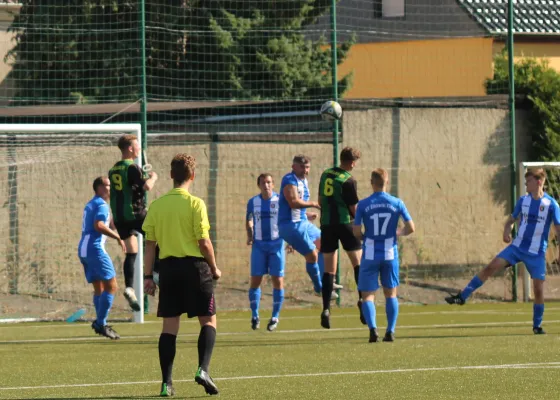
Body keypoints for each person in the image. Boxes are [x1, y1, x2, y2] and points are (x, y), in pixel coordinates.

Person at [446, 168, 560, 335]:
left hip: (536, 253)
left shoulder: (551, 205)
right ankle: (462, 296)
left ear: (539, 182)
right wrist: (506, 230)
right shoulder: (523, 201)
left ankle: (537, 325)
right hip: (517, 248)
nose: (526, 184)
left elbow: (558, 228)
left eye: (528, 181)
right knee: (490, 267)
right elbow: (511, 220)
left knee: (538, 290)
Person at [143, 154, 221, 397]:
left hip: (168, 271)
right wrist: (215, 267)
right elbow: (204, 242)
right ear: (193, 175)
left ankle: (167, 383)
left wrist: (147, 277)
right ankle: (203, 370)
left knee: (169, 327)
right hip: (196, 269)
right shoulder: (196, 204)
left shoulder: (157, 205)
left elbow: (150, 246)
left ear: (170, 175)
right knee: (208, 321)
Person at [353, 168, 415, 343]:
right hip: (390, 254)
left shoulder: (363, 204)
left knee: (367, 295)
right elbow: (411, 228)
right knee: (391, 294)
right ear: (386, 182)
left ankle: (373, 329)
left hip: (370, 254)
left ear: (371, 182)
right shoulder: (397, 203)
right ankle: (391, 331)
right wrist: (399, 233)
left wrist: (365, 237)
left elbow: (356, 231)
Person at [277, 155, 338, 300]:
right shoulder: (289, 180)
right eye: (302, 167)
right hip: (290, 226)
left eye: (308, 167)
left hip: (302, 222)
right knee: (312, 255)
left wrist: (307, 214)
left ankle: (328, 280)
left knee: (328, 245)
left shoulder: (303, 180)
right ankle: (319, 289)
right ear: (294, 167)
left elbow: (295, 208)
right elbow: (293, 202)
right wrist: (313, 204)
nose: (305, 170)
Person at [109, 134, 158, 312]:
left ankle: (129, 288)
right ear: (130, 148)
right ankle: (156, 274)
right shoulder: (132, 167)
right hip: (135, 213)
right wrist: (153, 177)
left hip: (120, 218)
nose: (138, 149)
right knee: (158, 238)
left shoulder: (113, 169)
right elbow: (147, 186)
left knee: (132, 252)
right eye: (137, 146)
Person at [318, 147, 363, 329]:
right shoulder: (349, 180)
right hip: (345, 223)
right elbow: (354, 209)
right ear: (352, 162)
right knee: (358, 263)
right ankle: (362, 300)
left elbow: (321, 201)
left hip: (327, 225)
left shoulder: (326, 174)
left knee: (329, 269)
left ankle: (326, 308)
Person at [78, 176, 126, 340]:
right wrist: (118, 238)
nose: (110, 188)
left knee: (99, 288)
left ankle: (100, 323)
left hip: (83, 249)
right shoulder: (101, 204)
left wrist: (118, 228)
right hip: (95, 249)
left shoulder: (91, 204)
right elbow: (99, 225)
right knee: (112, 286)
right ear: (98, 187)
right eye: (107, 185)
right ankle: (101, 323)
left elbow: (107, 221)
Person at [246, 173, 286, 332]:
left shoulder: (280, 201)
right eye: (263, 182)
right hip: (259, 246)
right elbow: (248, 219)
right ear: (259, 185)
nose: (266, 185)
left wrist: (290, 240)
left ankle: (275, 316)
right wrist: (249, 234)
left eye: (269, 182)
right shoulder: (253, 202)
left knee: (278, 280)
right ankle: (255, 316)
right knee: (256, 281)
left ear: (273, 184)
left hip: (277, 245)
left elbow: (286, 220)